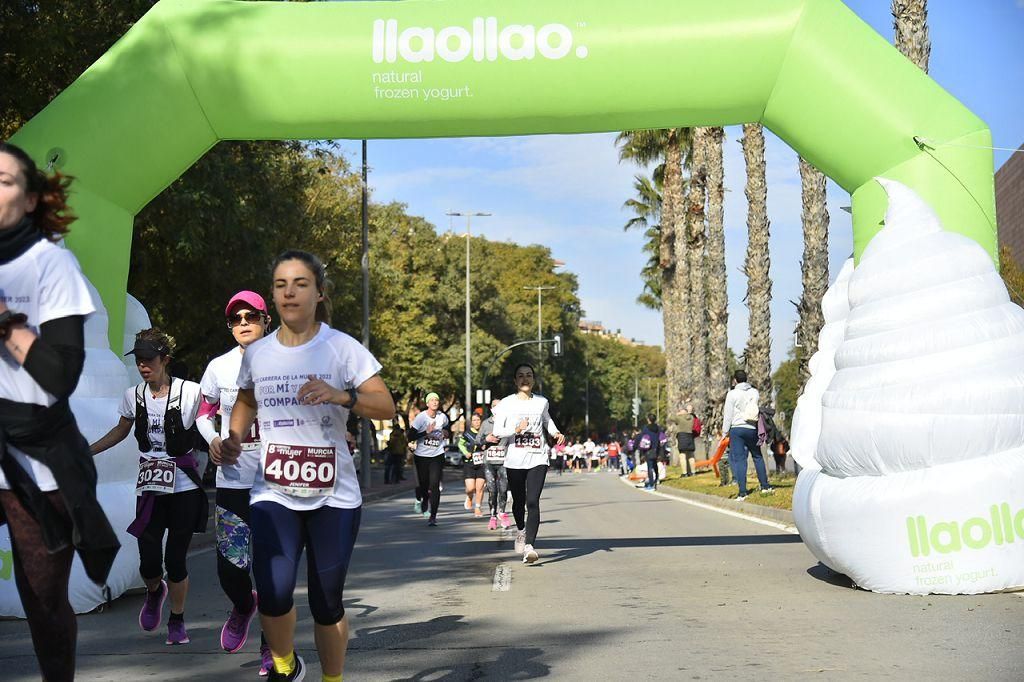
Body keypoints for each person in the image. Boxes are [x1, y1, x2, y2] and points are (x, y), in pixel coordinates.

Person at [221, 249, 396, 682]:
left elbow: (386, 405)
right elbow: (245, 399)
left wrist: (342, 396)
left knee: (326, 602)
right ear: (274, 296)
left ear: (318, 293)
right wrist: (236, 437)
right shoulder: (258, 353)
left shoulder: (341, 348)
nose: (290, 292)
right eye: (281, 285)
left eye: (300, 284)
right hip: (273, 491)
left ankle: (331, 678)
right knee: (275, 594)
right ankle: (286, 665)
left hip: (333, 496)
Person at [0, 141, 120, 681]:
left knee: (43, 603)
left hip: (38, 462)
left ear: (29, 201)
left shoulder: (51, 264)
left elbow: (60, 375)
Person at [90, 327, 207, 645]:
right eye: (139, 360)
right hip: (150, 486)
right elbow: (120, 430)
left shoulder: (191, 393)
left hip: (183, 487)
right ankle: (156, 592)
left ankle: (177, 619)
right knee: (150, 561)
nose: (143, 366)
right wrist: (88, 451)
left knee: (176, 559)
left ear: (165, 359)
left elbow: (211, 422)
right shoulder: (133, 395)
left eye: (149, 360)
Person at [195, 290, 272, 671]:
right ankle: (244, 606)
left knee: (274, 567)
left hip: (277, 482)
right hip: (232, 480)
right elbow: (203, 413)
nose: (243, 323)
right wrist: (212, 441)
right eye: (236, 318)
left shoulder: (288, 362)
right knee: (231, 568)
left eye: (251, 317)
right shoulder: (219, 367)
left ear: (265, 321)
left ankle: (272, 645)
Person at [492, 363, 564, 564]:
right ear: (515, 381)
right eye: (521, 375)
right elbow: (497, 431)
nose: (525, 379)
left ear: (533, 380)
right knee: (518, 501)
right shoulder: (505, 404)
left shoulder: (541, 402)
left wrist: (555, 432)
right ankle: (521, 530)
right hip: (515, 459)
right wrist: (516, 429)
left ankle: (530, 546)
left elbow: (547, 420)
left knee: (533, 501)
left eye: (529, 375)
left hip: (537, 457)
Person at [721, 370, 773, 501]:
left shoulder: (732, 394)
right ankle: (765, 485)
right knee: (757, 456)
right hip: (752, 427)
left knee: (739, 460)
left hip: (737, 429)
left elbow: (728, 414)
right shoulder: (754, 392)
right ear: (746, 378)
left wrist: (724, 432)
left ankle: (742, 492)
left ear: (735, 380)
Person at [408, 392, 449, 526]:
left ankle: (433, 515)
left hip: (437, 455)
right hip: (421, 456)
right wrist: (426, 432)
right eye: (432, 400)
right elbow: (410, 436)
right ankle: (425, 499)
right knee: (424, 485)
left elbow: (448, 430)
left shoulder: (443, 417)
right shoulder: (421, 418)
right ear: (427, 404)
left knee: (435, 485)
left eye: (436, 400)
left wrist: (445, 433)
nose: (435, 402)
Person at [477, 398, 510, 530]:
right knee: (492, 490)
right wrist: (486, 439)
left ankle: (502, 512)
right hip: (489, 462)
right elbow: (477, 440)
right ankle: (492, 516)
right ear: (491, 409)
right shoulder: (486, 423)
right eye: (495, 407)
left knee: (503, 489)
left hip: (504, 462)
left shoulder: (509, 422)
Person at [459, 412, 486, 517]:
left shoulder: (484, 433)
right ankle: (469, 497)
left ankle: (478, 508)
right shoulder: (467, 434)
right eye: (474, 420)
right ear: (471, 422)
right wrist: (466, 453)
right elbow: (460, 444)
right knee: (470, 488)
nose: (477, 422)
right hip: (469, 463)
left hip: (482, 463)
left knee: (480, 488)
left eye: (478, 420)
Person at [669, 404, 702, 477]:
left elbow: (671, 417)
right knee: (691, 455)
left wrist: (677, 414)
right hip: (690, 436)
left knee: (682, 455)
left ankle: (685, 473)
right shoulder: (691, 418)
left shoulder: (680, 418)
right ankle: (693, 472)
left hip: (682, 436)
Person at [638, 414, 661, 490]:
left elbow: (642, 438)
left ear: (648, 419)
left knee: (650, 467)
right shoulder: (658, 428)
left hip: (648, 449)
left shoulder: (646, 428)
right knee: (655, 465)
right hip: (656, 448)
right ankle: (657, 479)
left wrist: (641, 450)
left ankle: (651, 484)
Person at [384, 417, 408, 484]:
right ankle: (396, 479)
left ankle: (388, 480)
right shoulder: (401, 435)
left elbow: (391, 443)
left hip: (392, 452)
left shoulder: (392, 434)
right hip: (399, 453)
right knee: (397, 467)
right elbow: (404, 444)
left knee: (389, 467)